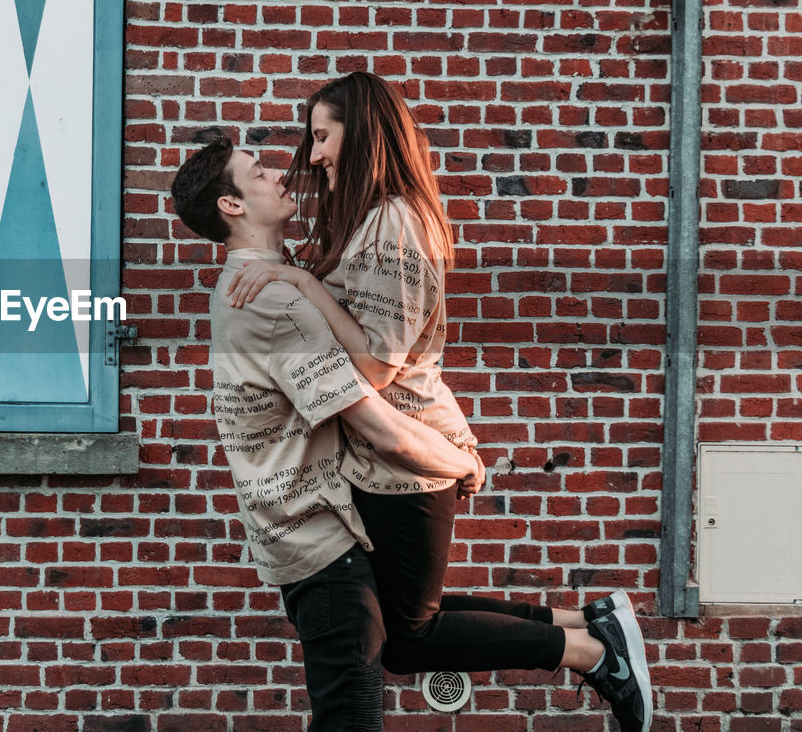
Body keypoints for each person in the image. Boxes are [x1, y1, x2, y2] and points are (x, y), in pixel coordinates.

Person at [225, 71, 653, 732]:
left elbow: (373, 362)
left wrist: (295, 281)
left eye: (321, 136)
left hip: (406, 457)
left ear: (361, 132)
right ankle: (582, 625)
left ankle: (591, 651)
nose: (311, 156)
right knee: (406, 625)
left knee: (412, 636)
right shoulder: (373, 218)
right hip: (388, 457)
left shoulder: (393, 222)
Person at [171, 135, 485, 730]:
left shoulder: (274, 281)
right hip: (320, 544)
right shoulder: (273, 304)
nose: (280, 175)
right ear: (231, 206)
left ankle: (584, 639)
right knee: (351, 718)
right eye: (258, 172)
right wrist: (462, 462)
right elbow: (378, 427)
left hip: (314, 536)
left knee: (390, 661)